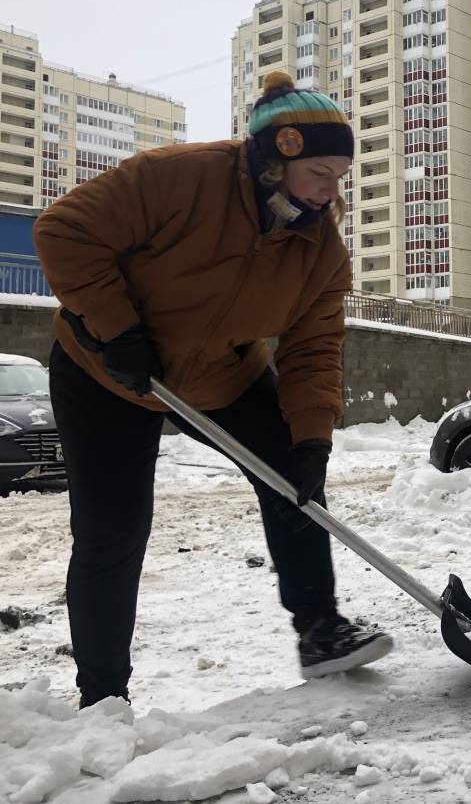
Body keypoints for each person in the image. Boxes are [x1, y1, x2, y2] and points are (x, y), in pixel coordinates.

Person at [34, 71, 393, 709]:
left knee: (293, 484)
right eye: (322, 172)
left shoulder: (319, 251)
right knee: (112, 530)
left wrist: (311, 440)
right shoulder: (179, 177)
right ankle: (103, 697)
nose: (331, 189)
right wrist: (117, 329)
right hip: (104, 367)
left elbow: (314, 349)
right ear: (274, 158)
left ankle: (322, 632)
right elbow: (64, 230)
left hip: (222, 375)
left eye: (340, 176)